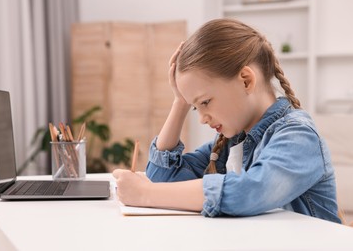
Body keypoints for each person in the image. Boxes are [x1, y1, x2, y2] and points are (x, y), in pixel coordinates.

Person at [113, 18, 341, 223]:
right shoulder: (230, 142)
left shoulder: (298, 135)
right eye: (195, 107)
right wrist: (180, 102)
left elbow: (250, 191)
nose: (202, 118)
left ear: (245, 81)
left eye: (205, 102)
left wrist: (144, 194)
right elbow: (164, 177)